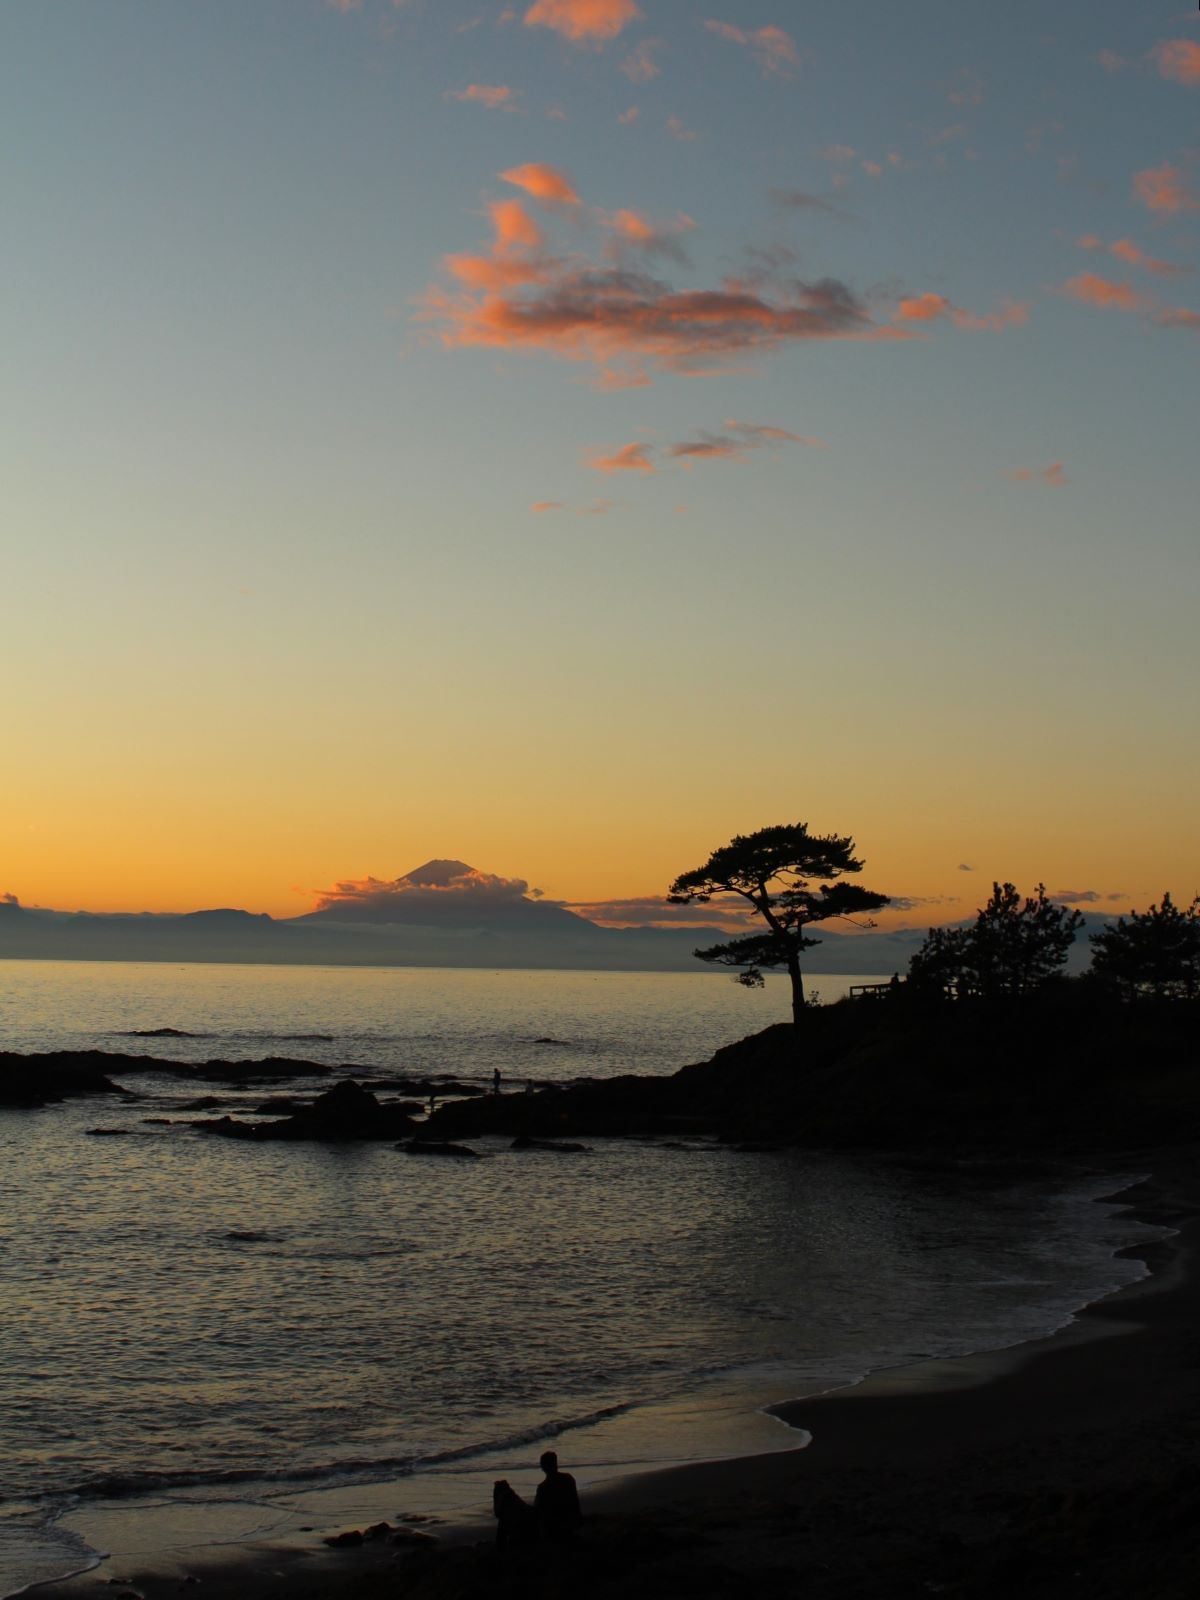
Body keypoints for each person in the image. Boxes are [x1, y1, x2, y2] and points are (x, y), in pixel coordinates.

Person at [534, 1450, 581, 1542]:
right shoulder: (568, 1479)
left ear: (543, 1467)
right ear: (556, 1464)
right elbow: (575, 1504)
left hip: (552, 1530)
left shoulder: (543, 1488)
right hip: (572, 1522)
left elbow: (537, 1511)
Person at [492, 1478, 537, 1550]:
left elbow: (498, 1512)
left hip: (523, 1526)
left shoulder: (505, 1501)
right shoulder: (513, 1498)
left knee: (502, 1527)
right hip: (529, 1522)